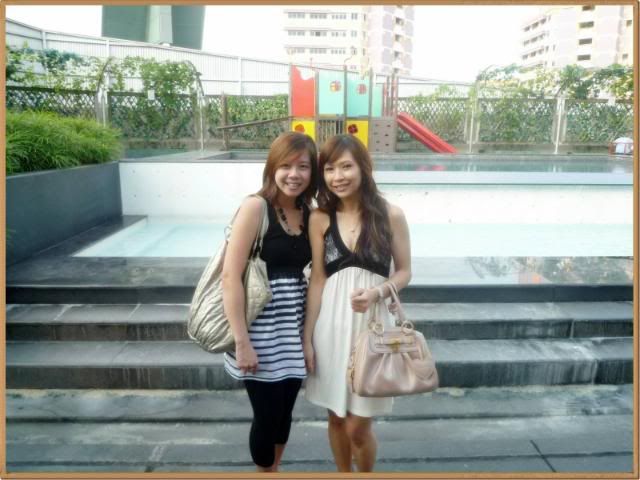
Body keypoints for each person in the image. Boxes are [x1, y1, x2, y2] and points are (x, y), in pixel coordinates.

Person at [303, 134, 412, 472]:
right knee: (336, 418)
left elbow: (405, 272)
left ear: (364, 167)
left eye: (346, 166)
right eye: (330, 169)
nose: (338, 176)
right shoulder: (320, 218)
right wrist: (307, 338)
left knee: (358, 428)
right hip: (330, 328)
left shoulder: (390, 215)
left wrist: (378, 292)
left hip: (372, 327)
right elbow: (317, 279)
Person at [221, 131, 318, 472]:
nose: (294, 174)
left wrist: (306, 338)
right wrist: (241, 342)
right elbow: (230, 277)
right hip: (259, 332)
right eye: (286, 166)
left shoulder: (309, 212)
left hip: (291, 328)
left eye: (303, 166)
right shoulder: (255, 207)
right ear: (272, 168)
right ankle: (265, 471)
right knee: (266, 416)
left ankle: (273, 470)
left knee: (285, 413)